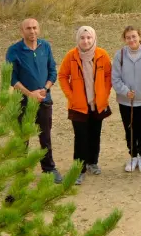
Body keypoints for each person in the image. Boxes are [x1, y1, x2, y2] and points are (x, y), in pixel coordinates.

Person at [6, 18, 60, 183]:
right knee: (23, 138)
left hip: (44, 100)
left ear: (39, 29)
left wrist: (45, 89)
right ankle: (22, 172)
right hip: (22, 101)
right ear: (21, 31)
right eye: (28, 28)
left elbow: (52, 71)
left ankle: (49, 168)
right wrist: (30, 94)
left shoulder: (46, 47)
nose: (32, 31)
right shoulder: (14, 51)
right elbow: (11, 78)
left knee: (45, 136)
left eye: (35, 28)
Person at [58, 26, 113, 185]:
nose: (86, 41)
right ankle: (79, 169)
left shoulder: (102, 54)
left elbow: (109, 75)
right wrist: (71, 95)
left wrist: (105, 93)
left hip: (98, 104)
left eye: (89, 37)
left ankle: (92, 162)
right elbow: (62, 76)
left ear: (93, 38)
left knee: (95, 135)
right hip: (78, 105)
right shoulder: (71, 56)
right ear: (78, 40)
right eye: (82, 38)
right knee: (81, 137)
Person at [112, 26, 141, 174]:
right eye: (128, 37)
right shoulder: (119, 55)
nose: (131, 40)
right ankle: (133, 157)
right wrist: (125, 91)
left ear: (139, 36)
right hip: (126, 102)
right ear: (124, 39)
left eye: (134, 36)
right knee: (129, 130)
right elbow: (115, 78)